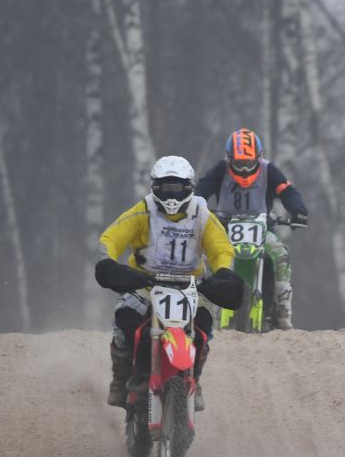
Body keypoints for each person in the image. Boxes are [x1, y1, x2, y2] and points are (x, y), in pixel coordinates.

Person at [94, 156, 238, 412]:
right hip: (145, 285)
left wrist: (224, 272)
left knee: (203, 324)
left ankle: (195, 376)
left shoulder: (202, 214)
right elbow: (112, 236)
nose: (172, 194)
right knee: (126, 319)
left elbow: (221, 247)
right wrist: (109, 262)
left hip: (190, 286)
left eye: (177, 187)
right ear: (155, 187)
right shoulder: (143, 210)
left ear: (189, 187)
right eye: (165, 186)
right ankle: (120, 380)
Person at [194, 128, 310, 330]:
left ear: (258, 157)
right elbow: (202, 188)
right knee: (203, 257)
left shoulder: (268, 170)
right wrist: (195, 205)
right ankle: (201, 307)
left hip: (262, 229)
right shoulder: (220, 170)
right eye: (239, 164)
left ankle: (283, 312)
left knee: (280, 254)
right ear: (229, 159)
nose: (245, 170)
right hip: (224, 228)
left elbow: (287, 190)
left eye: (249, 163)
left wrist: (298, 210)